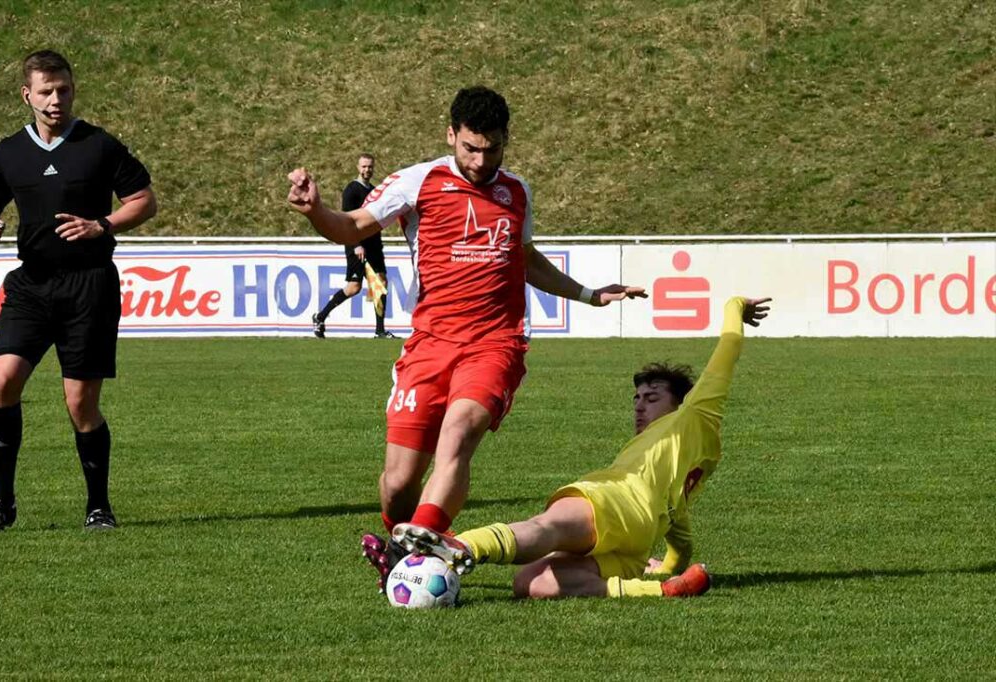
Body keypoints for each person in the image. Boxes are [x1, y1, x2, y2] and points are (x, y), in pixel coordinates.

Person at [287, 85, 646, 590]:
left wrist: (589, 294)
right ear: (450, 134)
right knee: (396, 486)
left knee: (457, 434)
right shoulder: (418, 182)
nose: (480, 161)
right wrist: (314, 212)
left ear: (506, 141)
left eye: (492, 149)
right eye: (470, 148)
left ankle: (408, 555)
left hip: (495, 344)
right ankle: (409, 542)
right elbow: (353, 227)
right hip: (429, 345)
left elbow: (526, 260)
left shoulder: (516, 192)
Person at [396, 296, 771, 600]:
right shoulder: (694, 460)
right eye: (636, 398)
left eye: (652, 397)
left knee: (549, 526)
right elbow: (680, 530)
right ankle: (655, 591)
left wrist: (735, 305)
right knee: (532, 582)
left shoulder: (697, 413)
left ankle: (461, 545)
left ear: (681, 403)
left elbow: (729, 347)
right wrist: (670, 568)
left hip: (618, 499)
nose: (639, 405)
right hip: (635, 544)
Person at [0, 50, 157, 532]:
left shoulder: (98, 145)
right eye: (47, 91)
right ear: (26, 95)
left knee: (80, 404)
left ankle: (98, 506)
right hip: (31, 285)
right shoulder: (9, 151)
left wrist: (103, 225)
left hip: (88, 287)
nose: (56, 99)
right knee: (3, 382)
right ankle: (1, 503)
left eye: (64, 89)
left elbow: (143, 200)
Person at [311, 153, 397, 339]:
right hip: (356, 244)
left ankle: (380, 331)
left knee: (380, 283)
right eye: (364, 166)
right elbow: (347, 219)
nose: (367, 170)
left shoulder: (375, 191)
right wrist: (355, 244)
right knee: (353, 288)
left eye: (370, 167)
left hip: (374, 244)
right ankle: (320, 317)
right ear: (358, 167)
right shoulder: (352, 190)